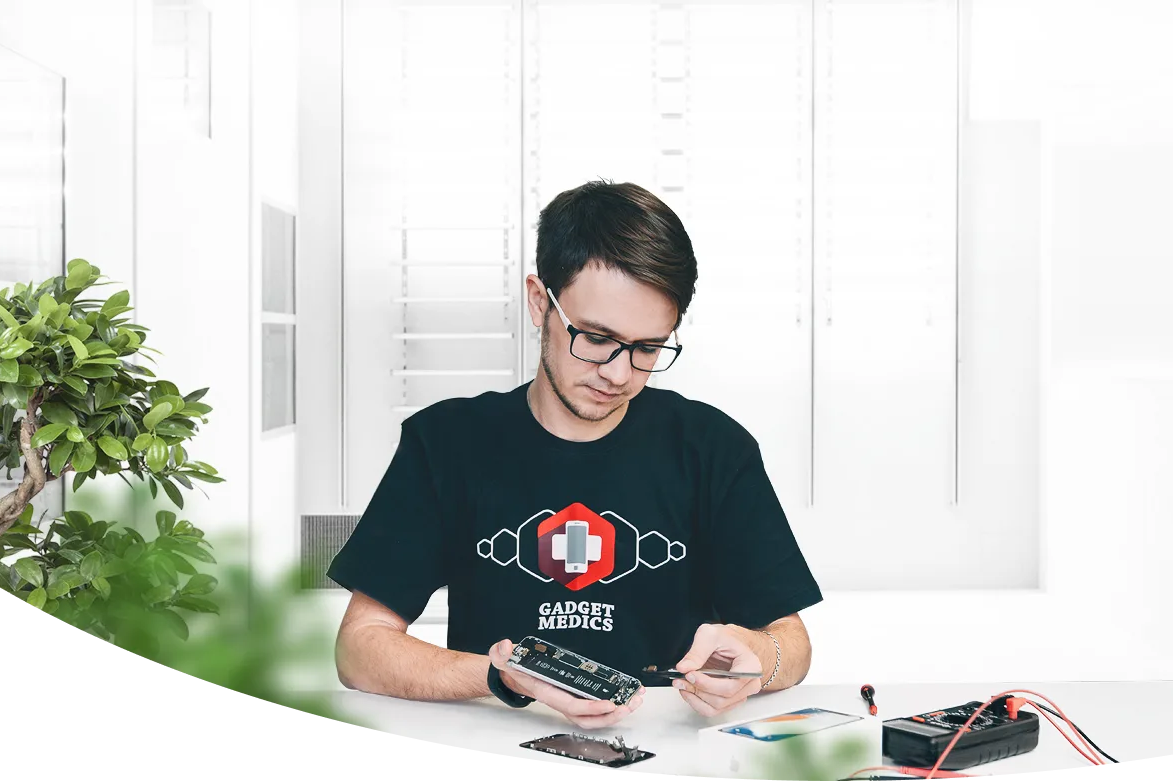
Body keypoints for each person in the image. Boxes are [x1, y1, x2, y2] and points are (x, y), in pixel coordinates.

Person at [327, 180, 823, 729]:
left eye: (648, 347)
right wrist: (503, 677)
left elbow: (791, 641)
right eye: (595, 338)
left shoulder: (714, 447)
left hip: (669, 740)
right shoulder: (445, 442)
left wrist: (759, 661)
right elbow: (359, 647)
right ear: (540, 303)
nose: (619, 373)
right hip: (503, 734)